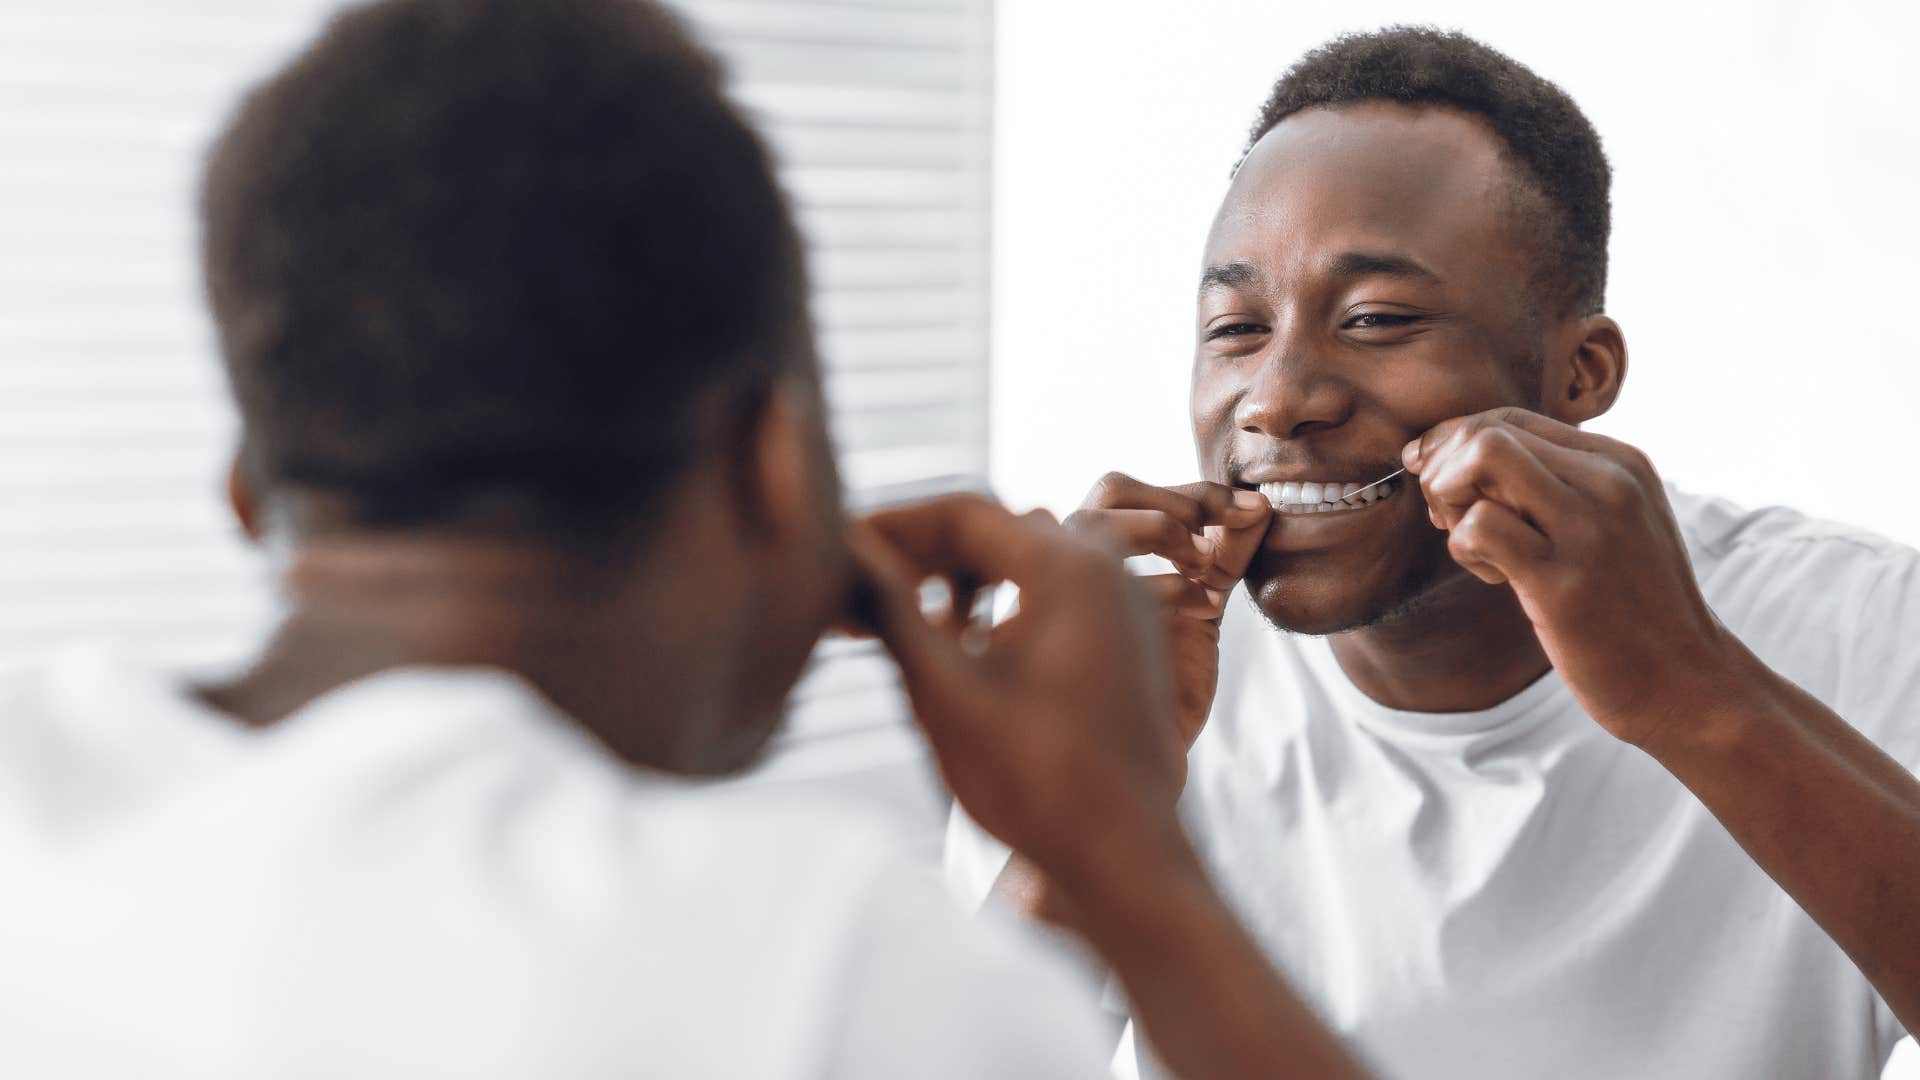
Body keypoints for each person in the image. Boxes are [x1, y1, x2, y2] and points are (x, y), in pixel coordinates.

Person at [0, 1, 1371, 1077]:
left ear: (249, 494)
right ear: (773, 465)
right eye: (1237, 327)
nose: (1285, 395)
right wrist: (1120, 852)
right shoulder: (813, 971)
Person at [950, 26, 1920, 1080]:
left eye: (1377, 318)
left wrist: (1693, 689)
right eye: (1236, 328)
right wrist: (1084, 811)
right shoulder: (1123, 679)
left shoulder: (1864, 631)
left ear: (1581, 374)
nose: (1276, 400)